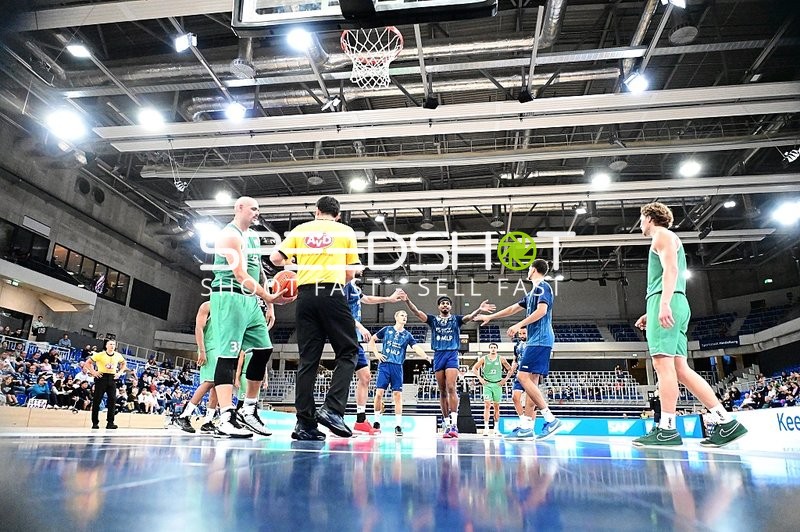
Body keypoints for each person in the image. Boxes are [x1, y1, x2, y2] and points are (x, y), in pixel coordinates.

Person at [633, 202, 747, 447]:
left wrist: (662, 305)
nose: (640, 224)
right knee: (681, 370)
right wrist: (650, 310)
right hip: (676, 301)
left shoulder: (661, 235)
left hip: (668, 300)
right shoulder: (669, 237)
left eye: (641, 219)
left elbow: (670, 270)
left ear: (650, 218)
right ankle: (727, 422)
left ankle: (667, 430)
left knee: (663, 367)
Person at [271, 195, 361, 441]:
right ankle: (332, 409)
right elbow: (350, 273)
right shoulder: (345, 232)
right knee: (349, 351)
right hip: (331, 291)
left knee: (308, 360)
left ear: (316, 211)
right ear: (338, 214)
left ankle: (305, 424)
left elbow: (276, 259)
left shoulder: (301, 230)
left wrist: (297, 260)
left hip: (305, 295)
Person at [209, 196, 288, 438]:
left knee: (264, 350)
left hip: (251, 300)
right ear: (239, 208)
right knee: (228, 356)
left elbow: (258, 270)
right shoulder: (229, 235)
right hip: (229, 296)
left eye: (258, 209)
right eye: (253, 208)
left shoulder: (252, 236)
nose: (257, 212)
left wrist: (268, 302)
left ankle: (248, 409)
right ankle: (224, 417)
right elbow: (240, 273)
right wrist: (268, 297)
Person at [475, 258, 562, 440]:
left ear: (533, 269)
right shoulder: (532, 293)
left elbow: (541, 311)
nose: (527, 271)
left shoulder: (542, 287)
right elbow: (513, 308)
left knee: (522, 378)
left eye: (529, 268)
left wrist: (518, 325)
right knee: (531, 384)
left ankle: (550, 419)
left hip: (539, 339)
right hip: (538, 340)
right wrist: (491, 317)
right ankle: (527, 427)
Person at [401, 294, 494, 438]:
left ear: (450, 307)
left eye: (447, 303)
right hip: (438, 355)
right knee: (442, 390)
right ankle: (446, 423)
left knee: (451, 386)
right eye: (442, 303)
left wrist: (479, 310)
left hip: (451, 354)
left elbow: (468, 317)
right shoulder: (433, 320)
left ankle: (454, 425)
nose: (445, 305)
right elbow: (416, 312)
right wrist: (407, 300)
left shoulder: (456, 319)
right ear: (439, 307)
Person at [344, 270, 404, 434]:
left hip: (354, 338)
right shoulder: (344, 285)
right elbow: (341, 310)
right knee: (344, 376)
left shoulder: (354, 287)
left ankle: (360, 419)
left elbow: (367, 299)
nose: (362, 268)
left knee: (365, 376)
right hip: (345, 335)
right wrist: (360, 326)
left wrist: (389, 299)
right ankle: (334, 415)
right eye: (358, 264)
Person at [368, 310, 431, 436]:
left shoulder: (407, 335)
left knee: (397, 395)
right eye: (402, 315)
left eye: (406, 316)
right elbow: (372, 340)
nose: (405, 317)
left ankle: (398, 425)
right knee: (379, 393)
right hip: (385, 365)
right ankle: (376, 421)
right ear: (396, 317)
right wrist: (376, 354)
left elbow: (416, 347)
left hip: (397, 366)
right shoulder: (386, 330)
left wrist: (425, 356)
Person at [175, 301, 219, 434]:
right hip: (209, 348)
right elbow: (199, 328)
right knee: (209, 382)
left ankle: (208, 421)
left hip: (221, 349)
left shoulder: (227, 307)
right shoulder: (208, 305)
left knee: (218, 385)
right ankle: (184, 415)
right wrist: (202, 350)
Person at [470, 342, 513, 436]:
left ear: (497, 349)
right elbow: (474, 368)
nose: (493, 349)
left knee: (496, 407)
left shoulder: (501, 358)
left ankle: (496, 428)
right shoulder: (484, 358)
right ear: (489, 349)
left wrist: (505, 380)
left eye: (494, 347)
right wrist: (480, 378)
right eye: (491, 347)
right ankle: (486, 428)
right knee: (487, 405)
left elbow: (510, 370)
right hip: (487, 384)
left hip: (497, 384)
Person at [87, 339, 126, 429]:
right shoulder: (100, 355)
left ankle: (110, 422)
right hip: (101, 377)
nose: (112, 346)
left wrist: (119, 372)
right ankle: (95, 422)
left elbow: (123, 363)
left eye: (114, 344)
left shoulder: (118, 355)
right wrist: (93, 372)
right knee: (97, 400)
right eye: (110, 344)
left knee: (112, 400)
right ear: (106, 346)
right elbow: (88, 363)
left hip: (112, 378)